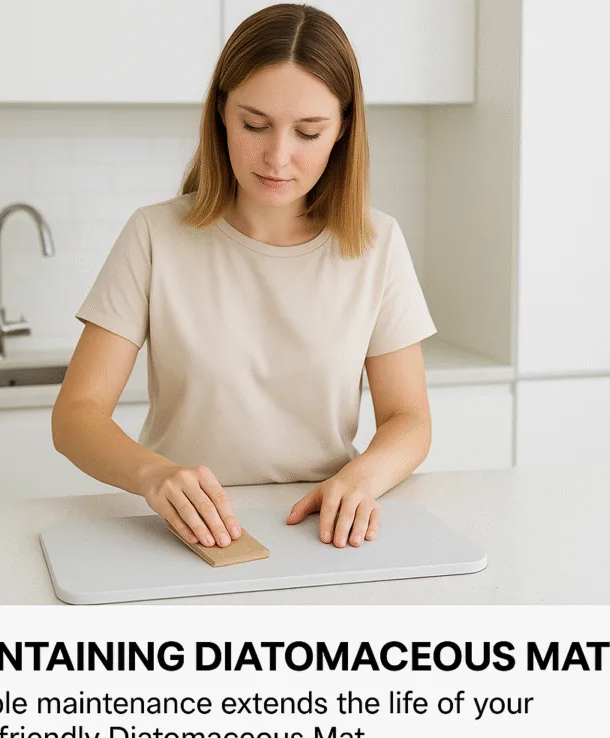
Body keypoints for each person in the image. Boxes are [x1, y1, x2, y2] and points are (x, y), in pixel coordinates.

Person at [52, 3, 437, 553]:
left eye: (308, 132)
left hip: (321, 531)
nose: (278, 157)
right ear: (222, 115)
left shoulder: (378, 244)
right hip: (186, 532)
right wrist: (153, 475)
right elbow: (76, 416)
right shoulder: (155, 236)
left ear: (342, 131)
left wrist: (362, 479)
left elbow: (409, 418)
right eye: (255, 125)